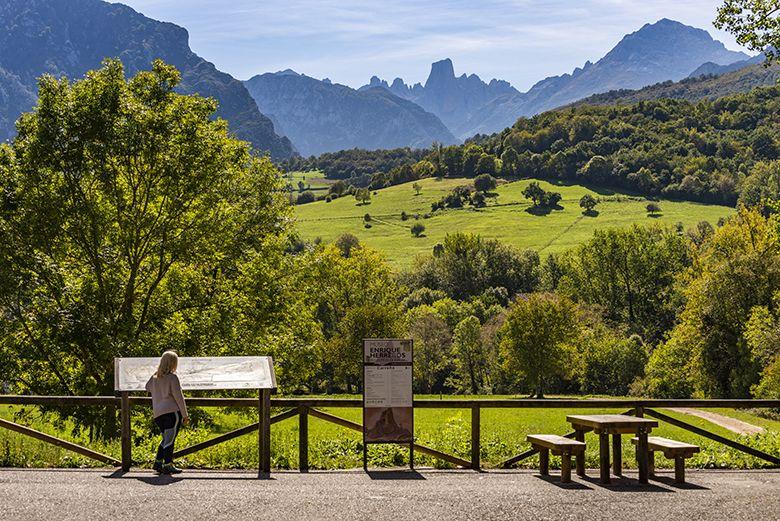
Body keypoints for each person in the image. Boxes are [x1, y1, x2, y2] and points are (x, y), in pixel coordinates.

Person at [145, 351, 189, 474]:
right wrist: (185, 415)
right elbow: (179, 397)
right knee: (169, 440)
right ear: (173, 363)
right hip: (171, 413)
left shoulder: (154, 377)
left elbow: (147, 387)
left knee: (165, 438)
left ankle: (158, 462)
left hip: (158, 414)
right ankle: (167, 464)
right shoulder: (173, 378)